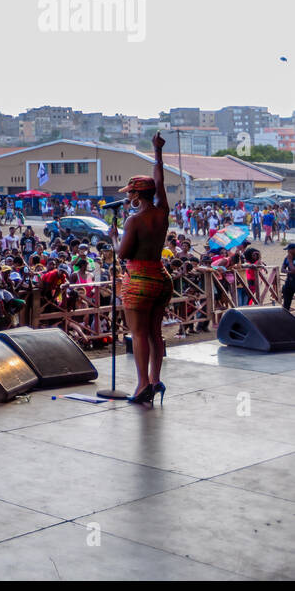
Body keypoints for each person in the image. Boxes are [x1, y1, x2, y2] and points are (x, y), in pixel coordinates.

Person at [117, 131, 172, 406]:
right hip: (161, 276)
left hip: (139, 278)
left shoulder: (133, 221)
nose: (129, 198)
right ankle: (155, 379)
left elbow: (124, 253)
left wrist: (113, 239)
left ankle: (141, 385)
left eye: (131, 193)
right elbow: (160, 182)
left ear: (137, 194)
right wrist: (158, 152)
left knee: (138, 333)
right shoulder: (163, 213)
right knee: (155, 333)